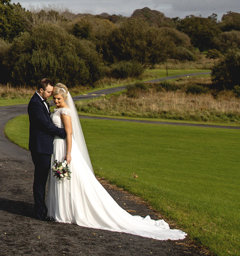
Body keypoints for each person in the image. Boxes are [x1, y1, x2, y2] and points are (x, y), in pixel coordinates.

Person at [46, 83, 186, 240]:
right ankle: (61, 210)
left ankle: (68, 212)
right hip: (56, 146)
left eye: (58, 98)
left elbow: (69, 133)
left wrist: (69, 153)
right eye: (54, 99)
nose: (56, 101)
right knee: (60, 177)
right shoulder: (57, 110)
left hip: (64, 146)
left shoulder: (65, 111)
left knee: (68, 178)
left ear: (64, 97)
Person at [27, 77, 69, 221]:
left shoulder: (41, 102)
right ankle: (39, 211)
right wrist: (62, 132)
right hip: (40, 147)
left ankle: (44, 208)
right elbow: (45, 125)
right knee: (40, 179)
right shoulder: (35, 104)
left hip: (44, 146)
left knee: (43, 178)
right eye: (49, 92)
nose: (50, 95)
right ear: (41, 90)